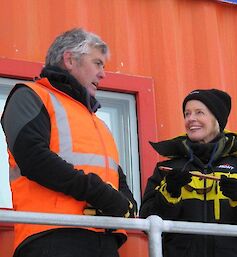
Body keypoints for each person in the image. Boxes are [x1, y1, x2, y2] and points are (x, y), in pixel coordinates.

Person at [1, 28, 137, 257]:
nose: (103, 74)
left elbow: (114, 175)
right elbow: (34, 158)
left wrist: (128, 203)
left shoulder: (97, 122)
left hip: (104, 240)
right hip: (51, 237)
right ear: (70, 60)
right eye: (97, 63)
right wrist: (103, 195)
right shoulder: (31, 95)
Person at [140, 89, 237, 257]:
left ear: (217, 120)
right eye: (187, 114)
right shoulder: (167, 169)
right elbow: (147, 223)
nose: (190, 119)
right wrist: (169, 194)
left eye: (199, 112)